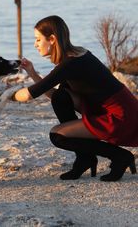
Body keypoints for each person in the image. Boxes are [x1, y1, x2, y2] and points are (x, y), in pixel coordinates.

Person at [12, 15, 138, 182]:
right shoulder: (77, 54)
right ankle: (85, 158)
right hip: (119, 109)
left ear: (52, 39)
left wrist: (3, 96)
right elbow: (53, 96)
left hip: (120, 117)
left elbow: (28, 95)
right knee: (60, 96)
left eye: (38, 39)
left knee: (57, 135)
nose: (35, 44)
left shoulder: (70, 64)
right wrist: (33, 73)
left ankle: (119, 156)